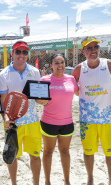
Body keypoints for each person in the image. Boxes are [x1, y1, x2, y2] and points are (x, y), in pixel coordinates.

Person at [0, 41, 47, 185]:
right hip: (13, 123)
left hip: (32, 121)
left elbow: (37, 97)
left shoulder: (35, 72)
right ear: (12, 54)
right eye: (18, 52)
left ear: (27, 55)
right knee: (12, 156)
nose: (21, 55)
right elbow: (3, 101)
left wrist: (43, 102)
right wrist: (5, 118)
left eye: (24, 52)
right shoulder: (4, 74)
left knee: (35, 156)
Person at [72, 36, 111, 185]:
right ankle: (90, 178)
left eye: (96, 47)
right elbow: (73, 89)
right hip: (87, 119)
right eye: (89, 48)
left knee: (110, 153)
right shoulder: (79, 69)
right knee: (88, 152)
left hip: (108, 119)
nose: (93, 51)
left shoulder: (108, 65)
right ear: (83, 51)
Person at [40, 54, 79, 185]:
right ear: (51, 65)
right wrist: (40, 100)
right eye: (56, 63)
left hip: (67, 123)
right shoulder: (44, 79)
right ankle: (47, 181)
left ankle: (67, 181)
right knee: (48, 152)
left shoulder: (71, 79)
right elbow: (37, 98)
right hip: (48, 122)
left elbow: (81, 93)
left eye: (62, 62)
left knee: (65, 151)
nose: (59, 65)